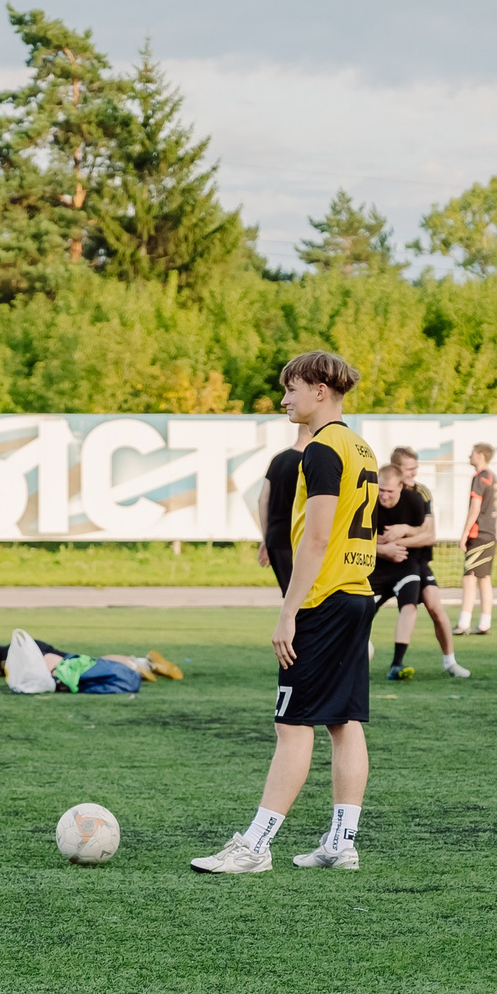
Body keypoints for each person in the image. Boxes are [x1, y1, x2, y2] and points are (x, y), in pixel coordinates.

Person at [192, 350, 377, 875]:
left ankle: (255, 846)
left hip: (323, 599)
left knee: (292, 726)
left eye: (291, 389)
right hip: (356, 594)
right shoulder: (361, 446)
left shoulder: (320, 449)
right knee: (343, 721)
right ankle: (341, 843)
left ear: (320, 389)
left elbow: (316, 538)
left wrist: (288, 611)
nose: (283, 400)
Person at [370, 459, 467, 680]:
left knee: (433, 607)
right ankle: (350, 654)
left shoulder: (418, 495)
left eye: (415, 469)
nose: (413, 473)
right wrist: (383, 549)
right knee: (362, 608)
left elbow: (428, 535)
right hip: (380, 565)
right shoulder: (369, 499)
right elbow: (356, 537)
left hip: (414, 562)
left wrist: (402, 533)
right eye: (409, 469)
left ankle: (448, 661)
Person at [0, 603, 178, 683]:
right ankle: (140, 662)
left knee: (75, 668)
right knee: (79, 660)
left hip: (17, 659)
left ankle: (132, 668)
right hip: (21, 651)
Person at [258, 425, 308, 595]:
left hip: (276, 539)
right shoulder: (311, 462)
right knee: (306, 598)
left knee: (290, 596)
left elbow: (263, 499)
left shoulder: (278, 460)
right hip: (300, 539)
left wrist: (266, 538)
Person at [456, 441, 497, 635]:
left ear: (480, 455)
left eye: (472, 453)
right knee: (484, 578)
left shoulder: (480, 477)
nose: (469, 456)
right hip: (490, 532)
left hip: (479, 533)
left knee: (469, 577)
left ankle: (464, 622)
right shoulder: (492, 477)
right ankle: (484, 622)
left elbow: (475, 506)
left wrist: (464, 533)